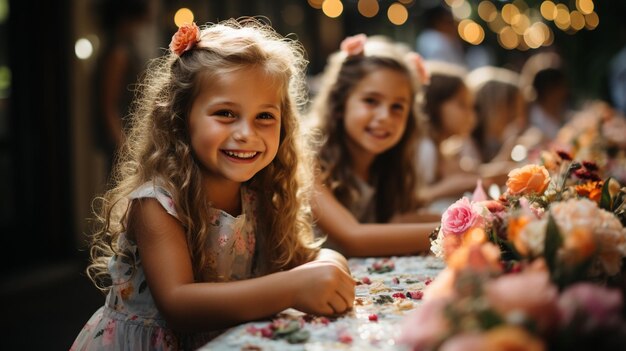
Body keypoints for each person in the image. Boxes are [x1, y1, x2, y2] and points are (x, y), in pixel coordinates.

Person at [72, 19, 355, 350]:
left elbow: (297, 261)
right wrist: (293, 287)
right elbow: (179, 304)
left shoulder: (260, 194)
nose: (246, 133)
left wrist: (328, 261)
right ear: (180, 117)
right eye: (225, 113)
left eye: (265, 117)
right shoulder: (156, 203)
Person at [306, 34, 438, 257]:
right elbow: (354, 238)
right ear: (340, 103)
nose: (385, 116)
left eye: (397, 107)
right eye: (371, 101)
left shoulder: (388, 164)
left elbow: (399, 221)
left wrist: (479, 214)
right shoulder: (308, 157)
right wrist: (461, 230)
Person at [93, 0, 156, 181]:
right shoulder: (119, 52)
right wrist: (124, 149)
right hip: (124, 139)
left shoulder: (125, 46)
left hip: (130, 138)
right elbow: (108, 105)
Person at [416, 61, 482, 212]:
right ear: (435, 105)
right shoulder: (425, 148)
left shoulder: (440, 148)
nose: (471, 116)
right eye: (462, 105)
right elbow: (411, 203)